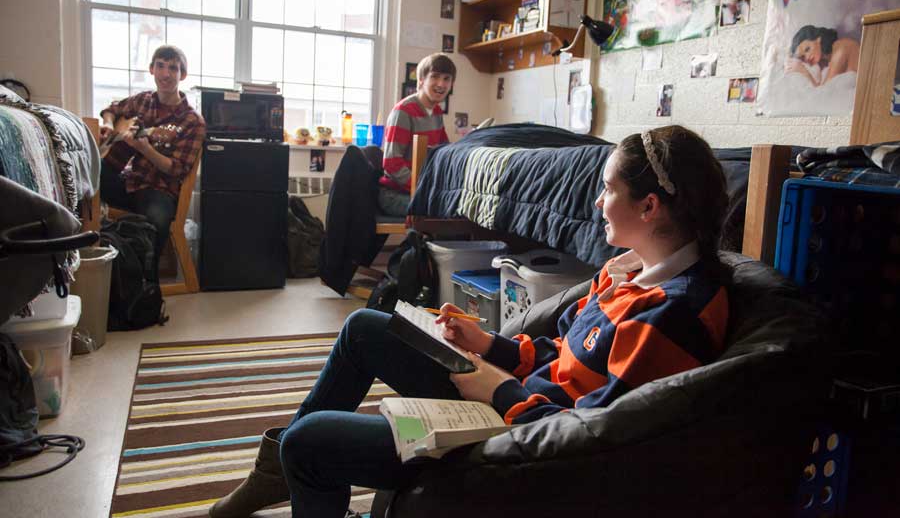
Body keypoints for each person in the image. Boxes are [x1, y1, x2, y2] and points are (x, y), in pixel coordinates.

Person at [209, 124, 731, 518]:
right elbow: (565, 356)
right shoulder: (628, 273)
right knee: (366, 327)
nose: (596, 202)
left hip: (522, 440)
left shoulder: (668, 315)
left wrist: (498, 389)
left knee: (313, 440)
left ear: (649, 207)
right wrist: (492, 345)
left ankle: (291, 461)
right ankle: (279, 469)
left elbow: (592, 441)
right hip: (515, 399)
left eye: (607, 189)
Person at [98, 45, 205, 282]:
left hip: (160, 190)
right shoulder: (143, 100)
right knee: (85, 174)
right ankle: (88, 265)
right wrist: (107, 124)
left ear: (182, 75)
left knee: (155, 219)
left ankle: (143, 283)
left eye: (173, 68)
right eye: (161, 66)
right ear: (152, 69)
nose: (166, 74)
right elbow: (112, 109)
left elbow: (176, 169)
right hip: (129, 183)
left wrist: (145, 149)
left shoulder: (192, 121)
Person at [377, 53, 452, 216]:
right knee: (446, 211)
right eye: (435, 77)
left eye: (447, 79)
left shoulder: (437, 112)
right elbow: (392, 164)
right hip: (394, 195)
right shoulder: (404, 112)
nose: (441, 83)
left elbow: (444, 152)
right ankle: (420, 242)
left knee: (459, 208)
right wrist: (423, 187)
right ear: (421, 80)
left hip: (419, 190)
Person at [785, 25, 860, 87]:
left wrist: (805, 73)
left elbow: (825, 93)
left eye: (807, 49)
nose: (807, 57)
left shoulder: (841, 48)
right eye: (803, 57)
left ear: (818, 39)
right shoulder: (824, 64)